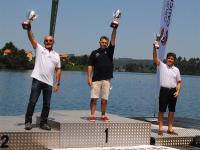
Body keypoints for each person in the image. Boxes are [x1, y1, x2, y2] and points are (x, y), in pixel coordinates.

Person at [22, 19, 61, 130]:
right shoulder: (39, 49)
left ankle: (43, 123)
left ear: (53, 42)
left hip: (49, 83)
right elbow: (32, 38)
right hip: (37, 80)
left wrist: (58, 83)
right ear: (44, 42)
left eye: (50, 41)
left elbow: (58, 70)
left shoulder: (56, 55)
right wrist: (29, 27)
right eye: (46, 41)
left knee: (47, 105)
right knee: (32, 102)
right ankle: (28, 122)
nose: (48, 42)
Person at [87, 26, 118, 122]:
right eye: (102, 42)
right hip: (96, 79)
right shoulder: (94, 53)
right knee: (94, 98)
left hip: (107, 79)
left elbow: (113, 39)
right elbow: (90, 66)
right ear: (99, 42)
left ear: (107, 44)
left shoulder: (110, 51)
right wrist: (89, 78)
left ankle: (103, 115)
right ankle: (92, 115)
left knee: (104, 99)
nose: (104, 44)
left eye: (106, 43)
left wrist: (114, 28)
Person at [153, 41, 181, 135]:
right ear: (166, 59)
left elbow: (179, 82)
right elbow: (155, 58)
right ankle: (160, 129)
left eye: (172, 59)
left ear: (174, 60)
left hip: (173, 91)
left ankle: (170, 128)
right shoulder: (162, 66)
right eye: (168, 58)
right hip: (164, 90)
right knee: (161, 110)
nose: (170, 60)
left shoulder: (176, 70)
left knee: (172, 111)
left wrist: (178, 91)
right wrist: (154, 48)